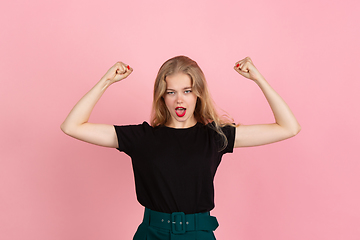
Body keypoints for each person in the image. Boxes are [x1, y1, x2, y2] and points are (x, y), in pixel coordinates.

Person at [61, 56, 301, 240]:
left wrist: (258, 78)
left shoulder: (216, 136)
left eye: (187, 91)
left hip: (199, 234)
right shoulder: (141, 137)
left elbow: (288, 127)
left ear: (198, 94)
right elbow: (72, 126)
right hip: (152, 232)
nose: (179, 100)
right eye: (171, 92)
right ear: (162, 97)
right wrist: (106, 81)